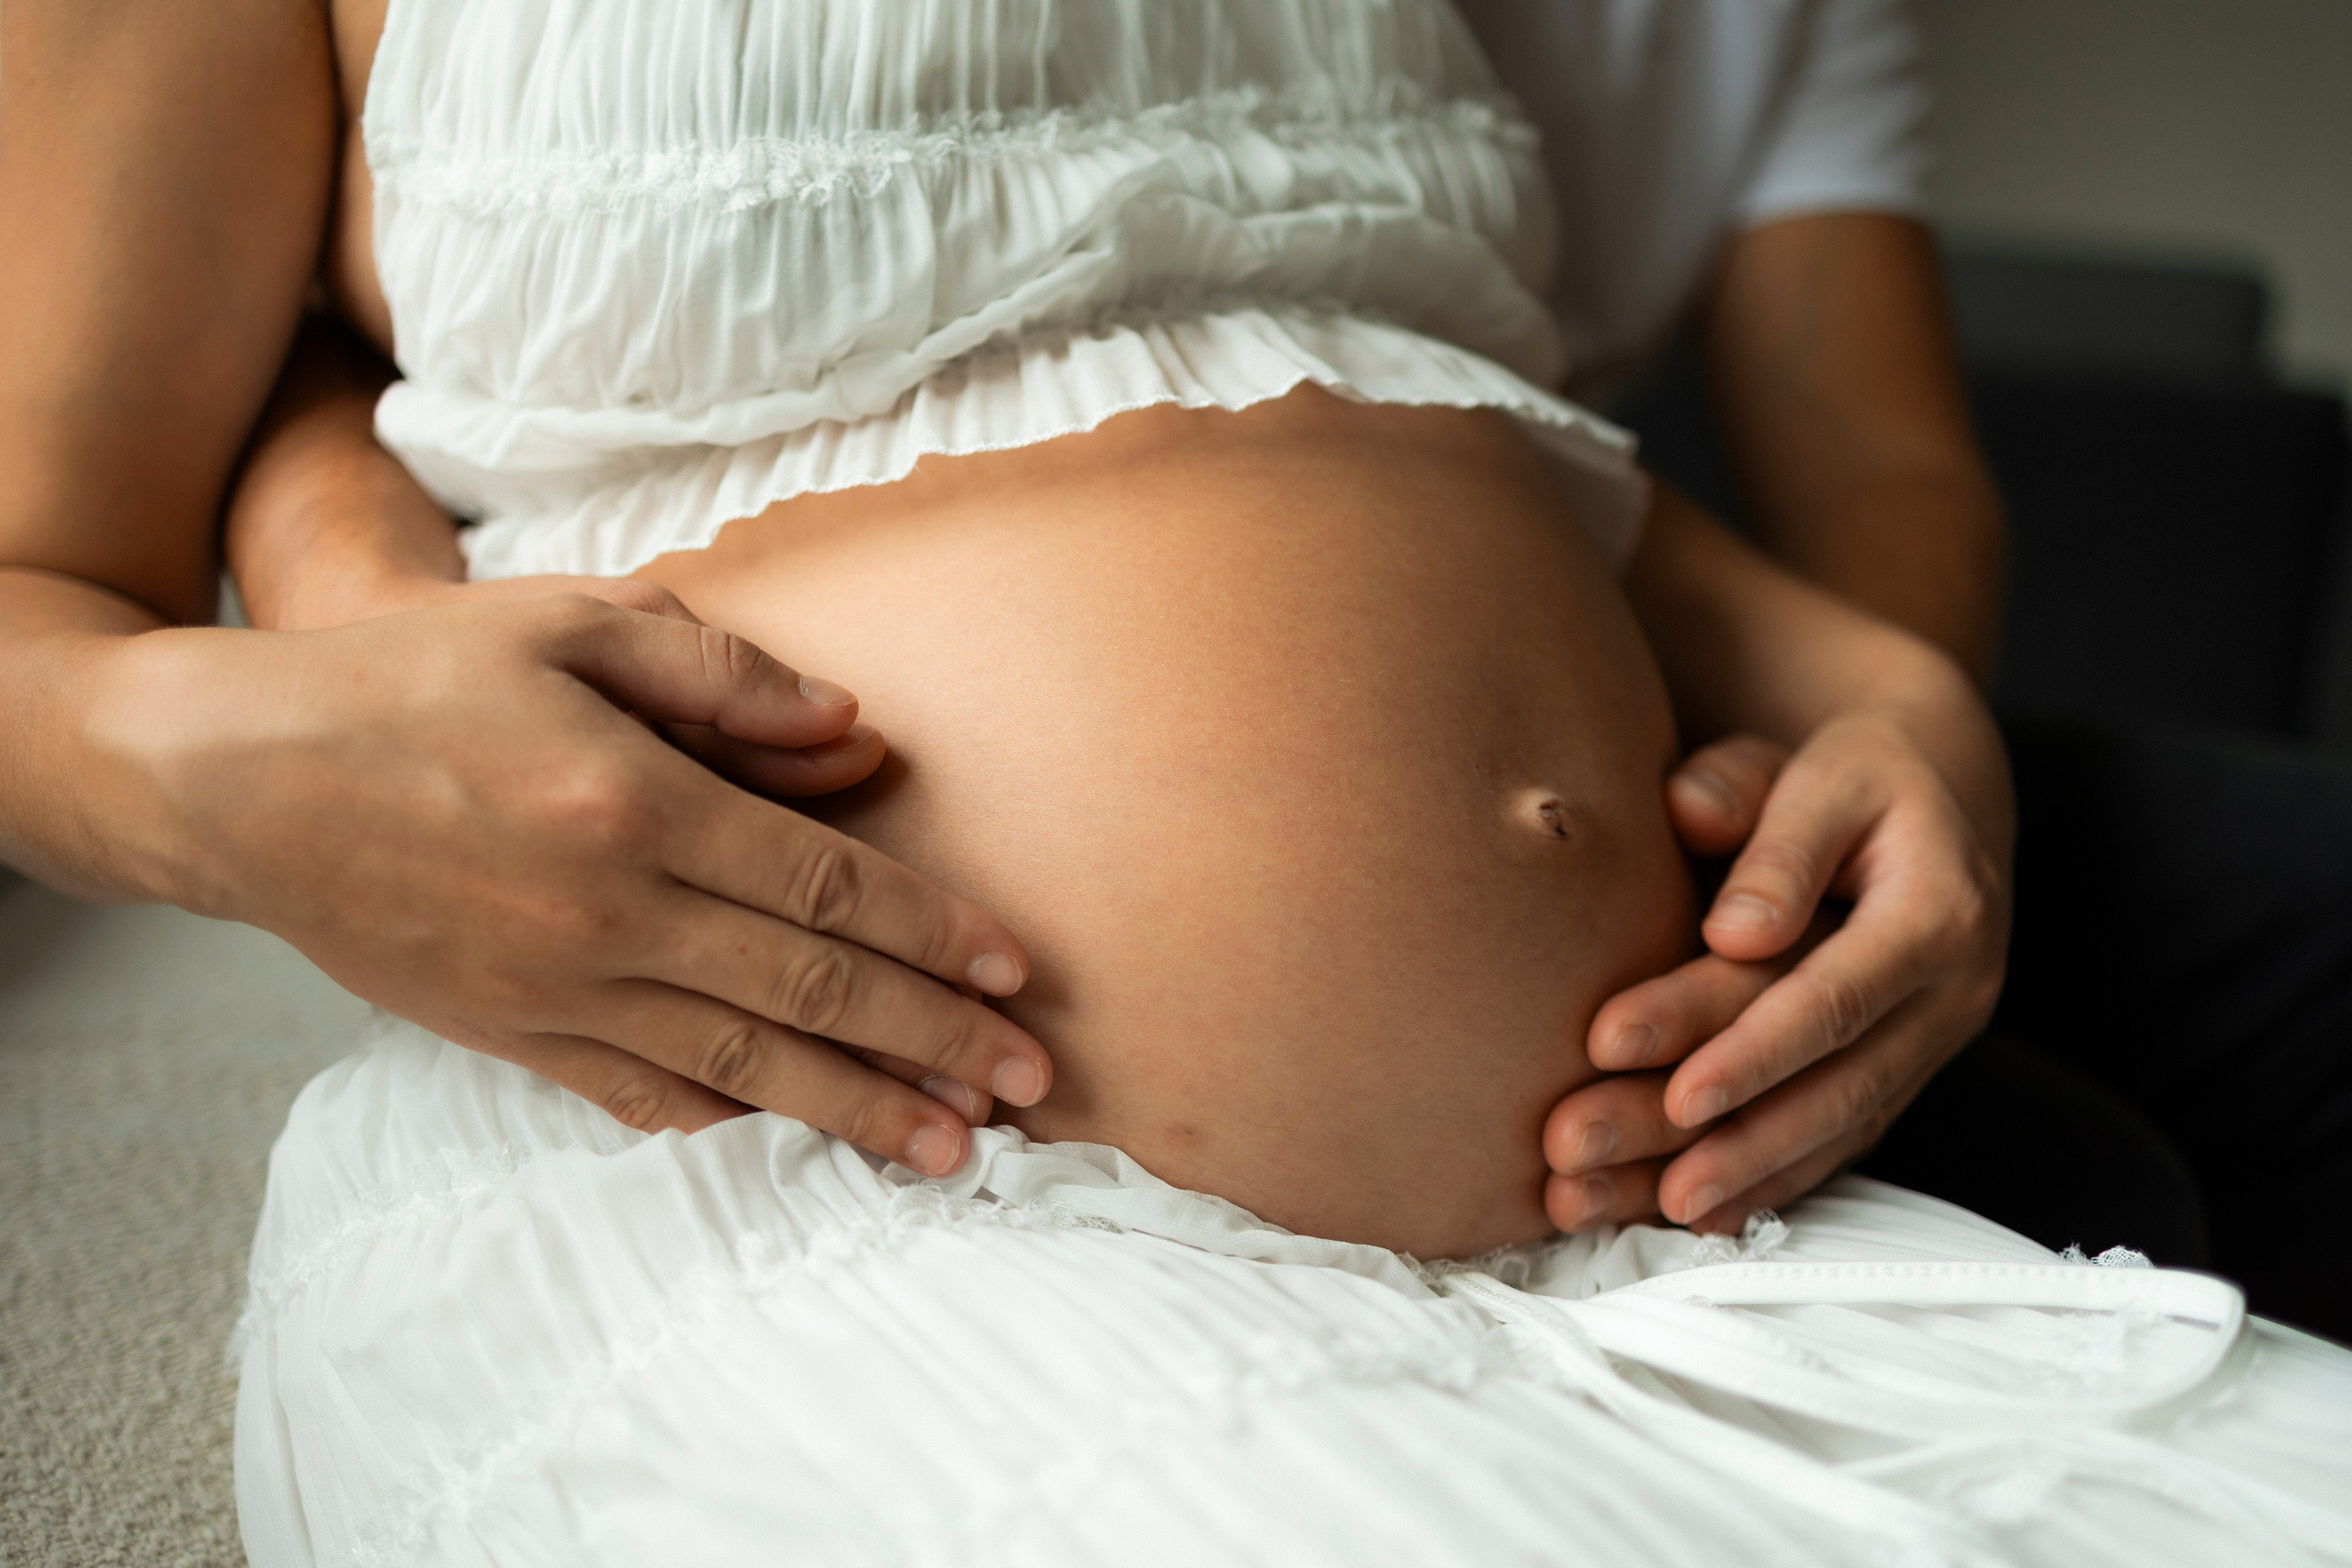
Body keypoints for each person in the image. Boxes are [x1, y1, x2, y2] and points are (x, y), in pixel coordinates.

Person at [5, 2, 2349, 1562]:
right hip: (889, 1219)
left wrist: (1886, 682)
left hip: (1697, 1236)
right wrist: (239, 748)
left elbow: (1375, 391)